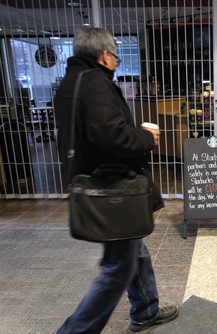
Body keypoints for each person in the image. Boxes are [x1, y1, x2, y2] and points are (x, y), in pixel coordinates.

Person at [54, 27, 178, 333]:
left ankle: (146, 309)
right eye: (115, 56)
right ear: (105, 55)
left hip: (97, 181)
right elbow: (113, 138)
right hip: (111, 188)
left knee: (134, 248)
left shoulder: (71, 82)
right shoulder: (95, 84)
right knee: (116, 269)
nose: (116, 63)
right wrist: (146, 137)